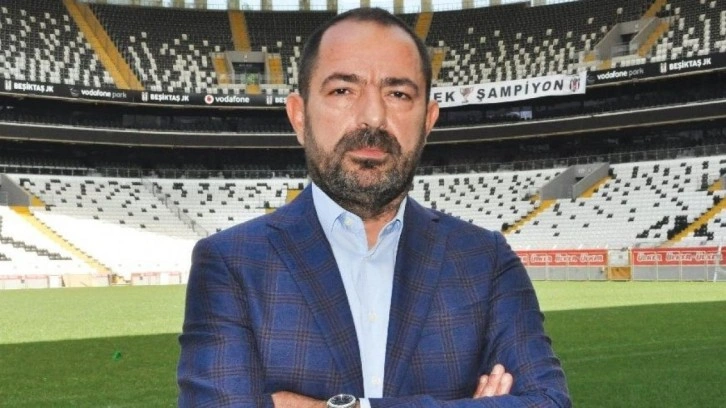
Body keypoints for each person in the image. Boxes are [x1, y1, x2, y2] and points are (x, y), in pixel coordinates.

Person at [178, 7, 570, 408]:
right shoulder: (230, 262)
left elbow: (548, 402)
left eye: (398, 94)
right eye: (342, 91)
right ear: (299, 116)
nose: (373, 117)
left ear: (428, 120)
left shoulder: (485, 259)